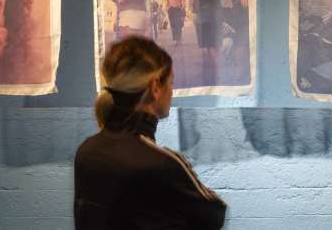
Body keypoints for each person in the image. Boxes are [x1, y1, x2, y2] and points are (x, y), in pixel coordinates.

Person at [74, 37, 226, 230]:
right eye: (170, 83)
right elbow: (214, 215)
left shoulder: (87, 151)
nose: (171, 92)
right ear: (155, 87)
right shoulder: (162, 163)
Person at [191, 0, 222, 85]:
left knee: (208, 47)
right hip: (216, 13)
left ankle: (212, 78)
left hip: (204, 14)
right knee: (215, 46)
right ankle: (217, 75)